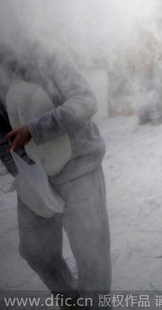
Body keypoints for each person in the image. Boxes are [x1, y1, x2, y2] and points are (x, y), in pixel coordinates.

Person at [0, 38, 111, 309]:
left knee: (91, 255)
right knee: (35, 251)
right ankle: (72, 300)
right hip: (34, 174)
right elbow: (2, 131)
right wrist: (21, 171)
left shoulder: (48, 51)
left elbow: (85, 101)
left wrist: (34, 129)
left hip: (78, 167)